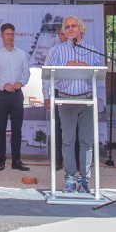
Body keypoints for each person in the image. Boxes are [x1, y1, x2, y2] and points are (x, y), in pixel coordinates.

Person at [43, 15, 104, 194]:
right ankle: (69, 179)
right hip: (66, 100)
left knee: (86, 142)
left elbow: (100, 73)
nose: (70, 29)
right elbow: (50, 74)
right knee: (67, 141)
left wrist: (88, 67)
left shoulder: (92, 50)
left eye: (73, 26)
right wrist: (65, 65)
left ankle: (84, 180)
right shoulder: (58, 51)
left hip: (86, 100)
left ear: (81, 29)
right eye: (67, 27)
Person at [0, 22, 31, 171]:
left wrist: (21, 82)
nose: (10, 37)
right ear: (1, 35)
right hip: (1, 95)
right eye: (7, 34)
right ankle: (1, 160)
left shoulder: (21, 54)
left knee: (17, 129)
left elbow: (27, 73)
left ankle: (16, 161)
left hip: (17, 95)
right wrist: (2, 85)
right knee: (1, 128)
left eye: (12, 34)